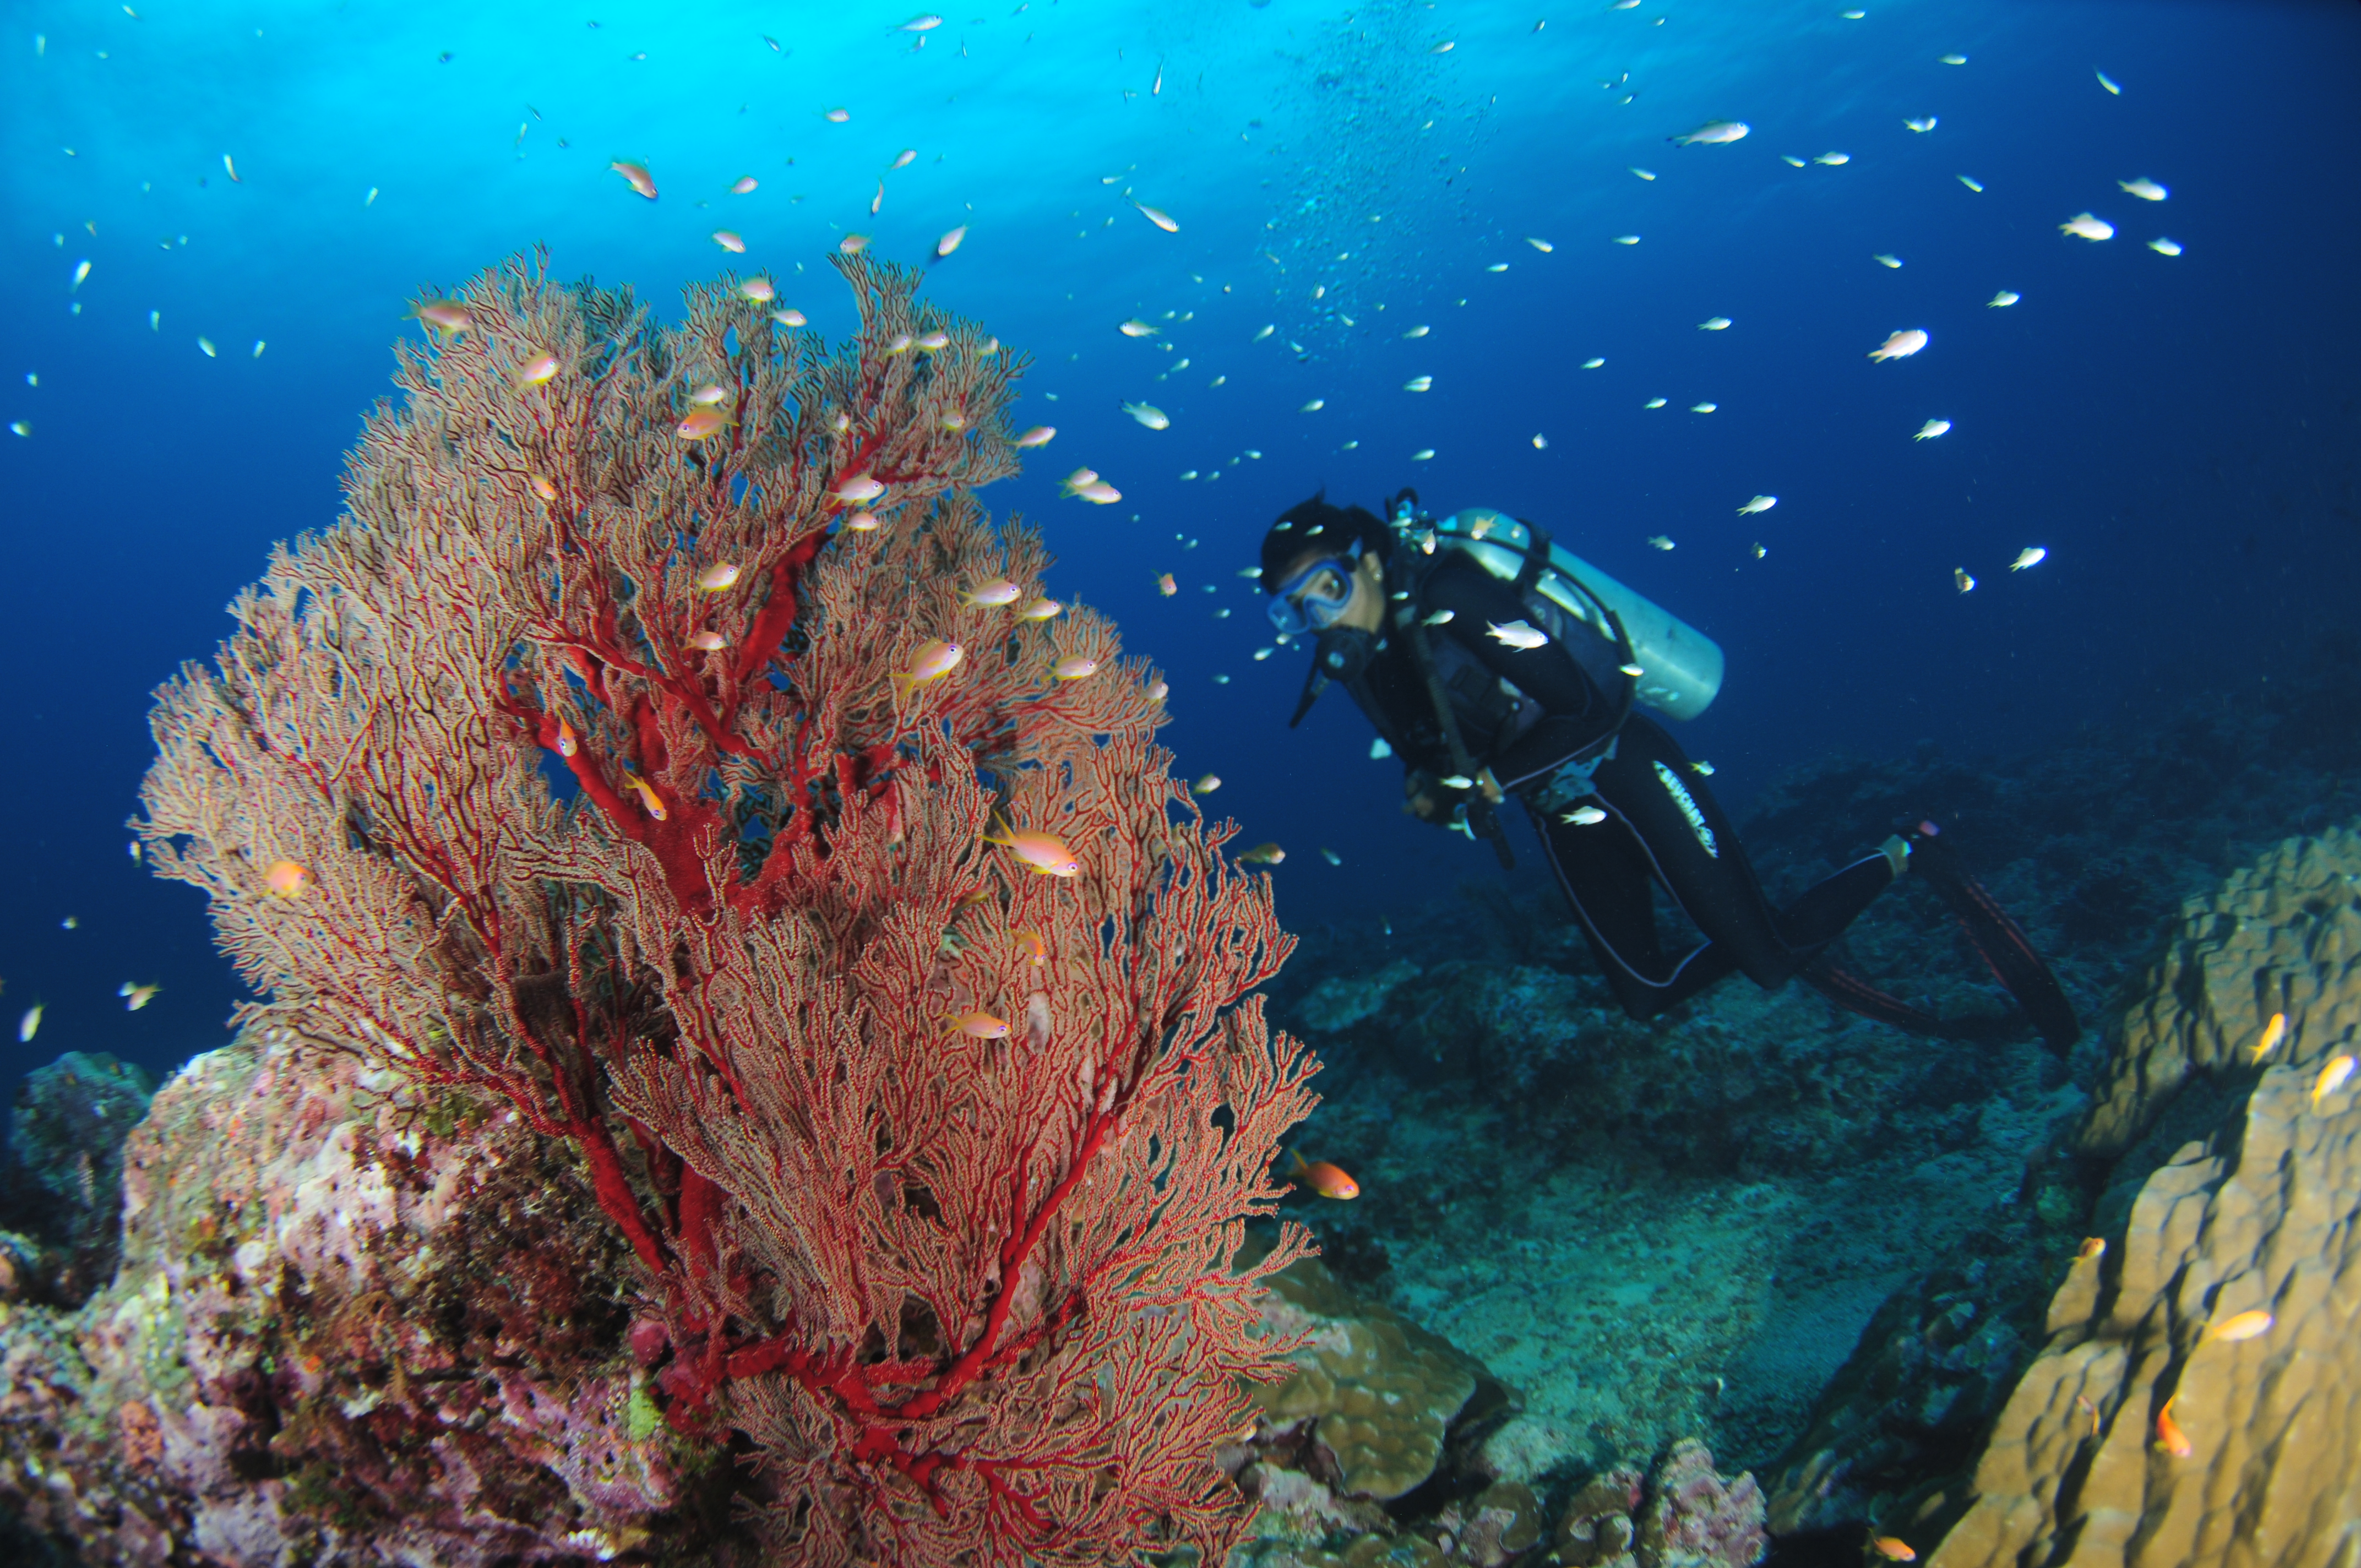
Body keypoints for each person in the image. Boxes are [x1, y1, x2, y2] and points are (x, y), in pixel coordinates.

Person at [1260, 488, 2080, 1048]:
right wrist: (1438, 792)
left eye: (1327, 587)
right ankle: (1776, 928)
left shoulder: (1455, 594)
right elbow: (1453, 759)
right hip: (1562, 809)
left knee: (1765, 963)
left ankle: (1905, 852)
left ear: (1368, 561)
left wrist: (1488, 786)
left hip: (1625, 768)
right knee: (1645, 994)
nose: (1318, 618)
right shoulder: (1366, 665)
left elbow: (1588, 706)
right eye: (1296, 609)